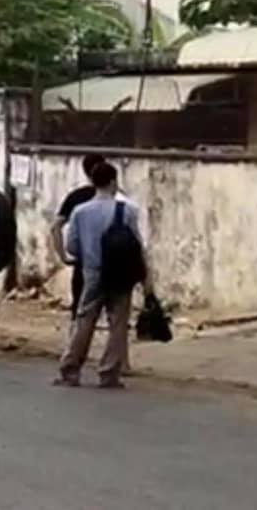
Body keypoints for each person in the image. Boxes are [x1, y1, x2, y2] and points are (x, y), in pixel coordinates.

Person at [56, 162, 142, 388]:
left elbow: (72, 247)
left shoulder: (80, 212)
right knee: (118, 323)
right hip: (121, 273)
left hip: (93, 272)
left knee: (85, 319)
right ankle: (109, 373)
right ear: (113, 182)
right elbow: (137, 245)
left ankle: (70, 369)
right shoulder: (127, 211)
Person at [51, 154, 108, 319]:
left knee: (81, 315)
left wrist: (63, 255)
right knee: (116, 317)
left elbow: (55, 227)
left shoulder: (77, 198)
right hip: (112, 263)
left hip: (84, 264)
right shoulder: (117, 199)